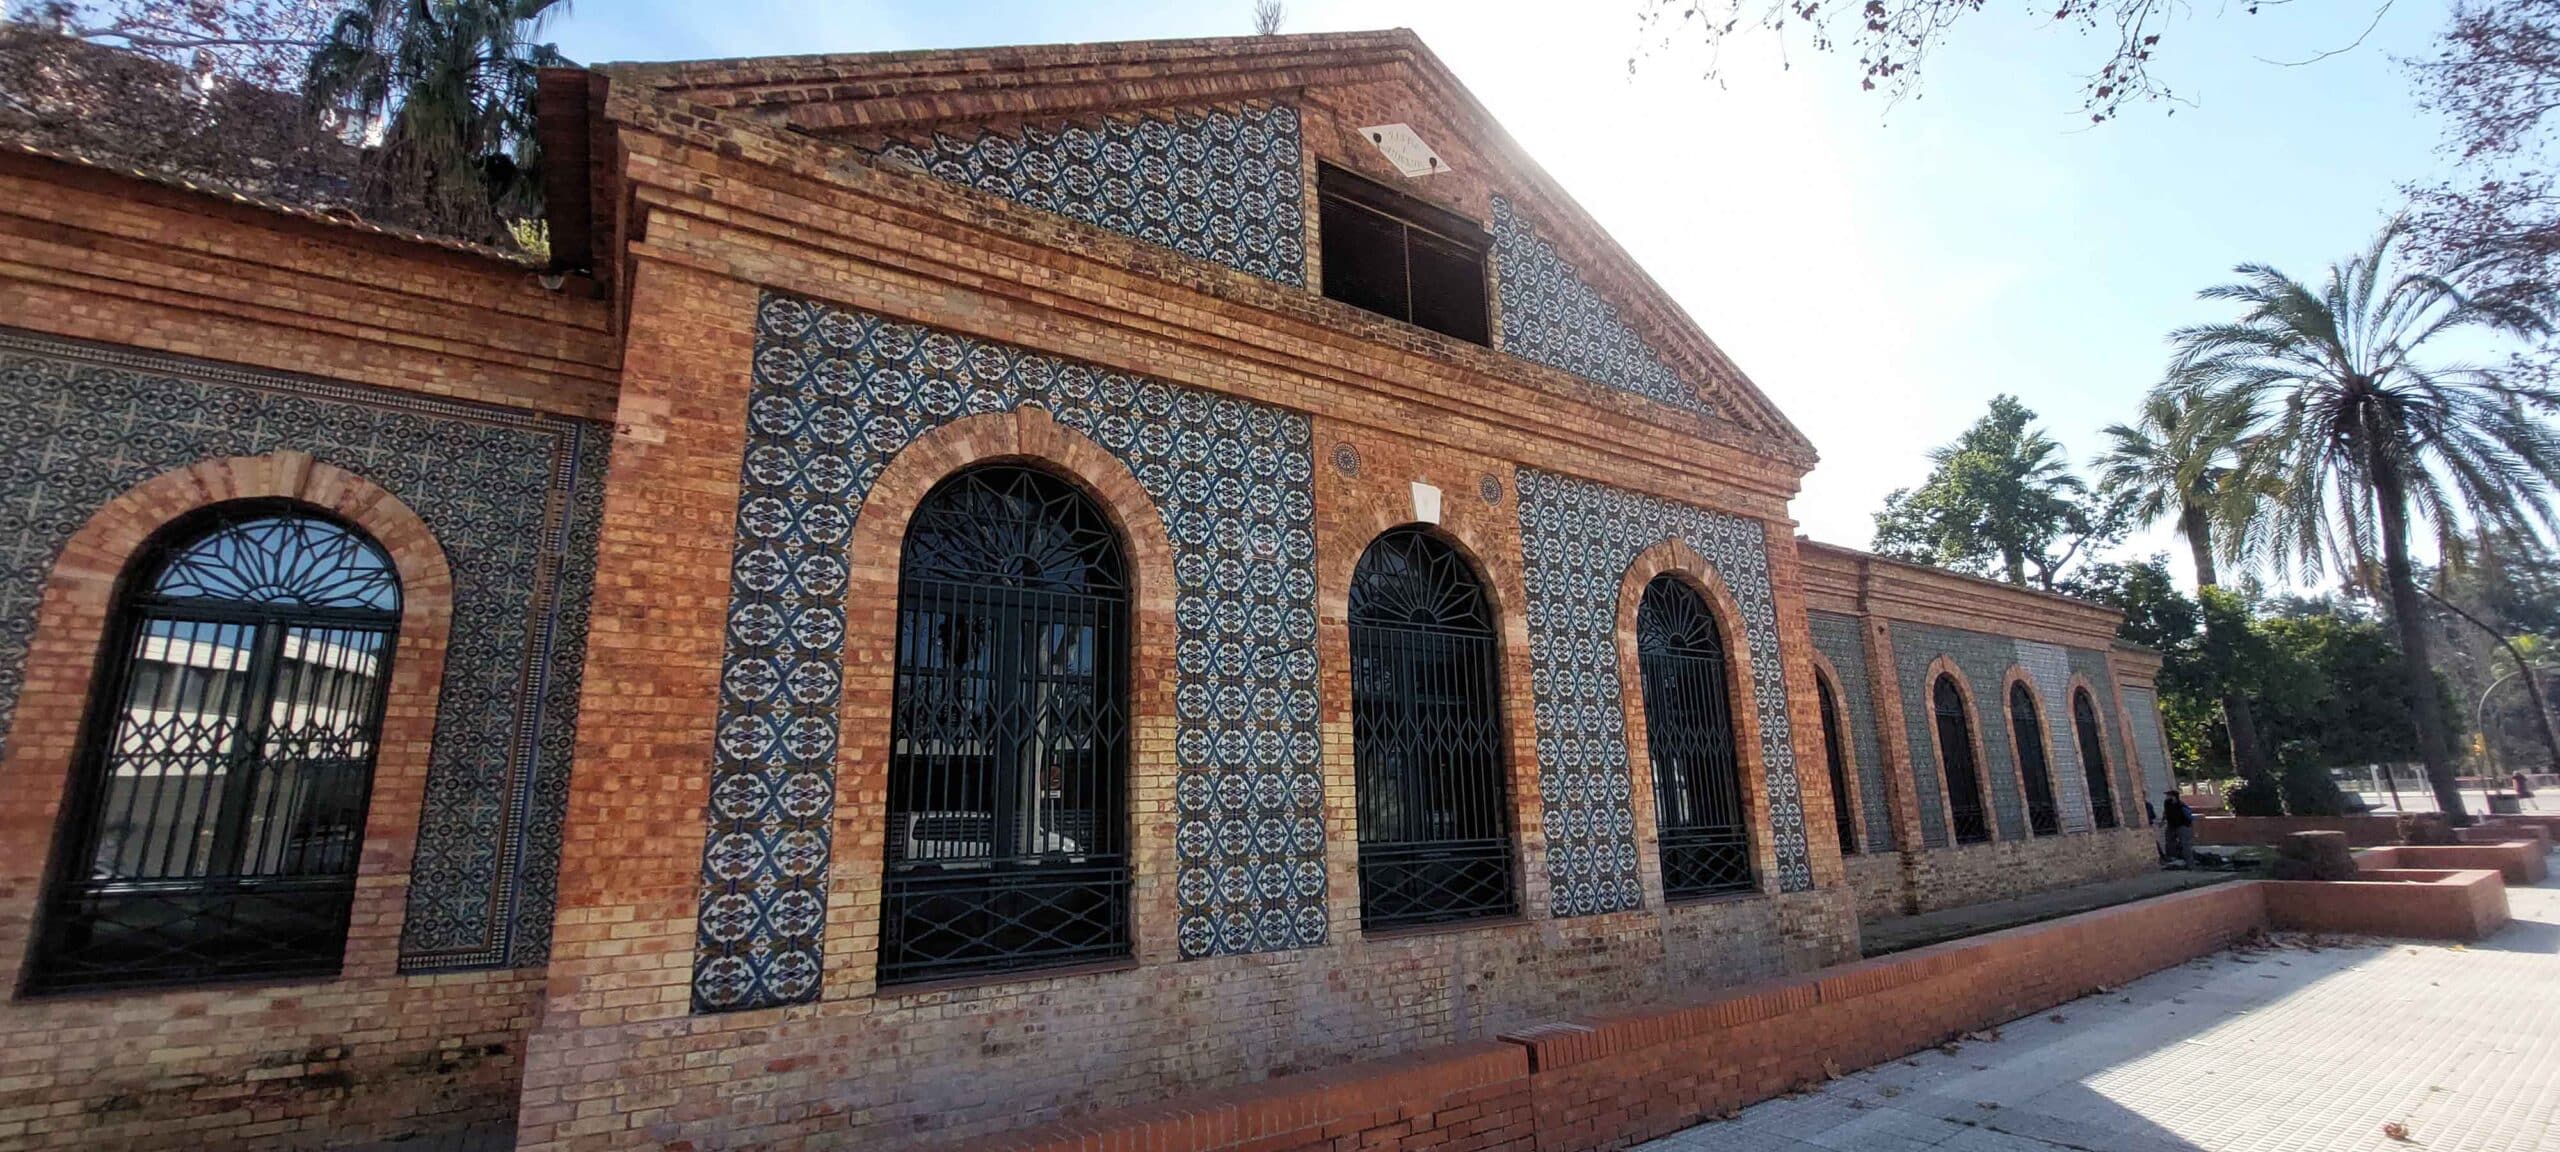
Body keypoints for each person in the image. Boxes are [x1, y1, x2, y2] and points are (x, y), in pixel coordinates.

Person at [2160, 789, 2195, 868]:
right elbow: (2165, 812)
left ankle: (2190, 863)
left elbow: (2189, 817)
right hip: (2171, 825)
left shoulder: (2181, 805)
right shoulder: (2167, 803)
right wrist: (2162, 821)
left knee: (2185, 844)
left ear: (2174, 797)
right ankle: (2173, 859)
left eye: (2168, 795)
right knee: (2169, 842)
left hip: (2182, 825)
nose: (2167, 797)